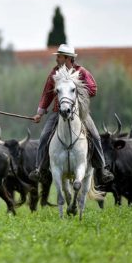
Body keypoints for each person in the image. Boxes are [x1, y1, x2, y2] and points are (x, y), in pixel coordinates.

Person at [28, 44, 114, 183]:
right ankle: (40, 170)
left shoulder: (81, 71)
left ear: (68, 58)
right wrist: (40, 113)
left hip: (79, 113)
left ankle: (102, 170)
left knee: (95, 136)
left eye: (59, 56)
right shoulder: (54, 73)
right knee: (44, 137)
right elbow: (47, 94)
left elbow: (93, 89)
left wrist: (78, 91)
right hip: (58, 112)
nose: (57, 59)